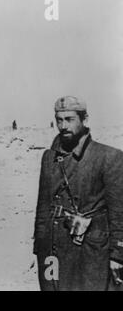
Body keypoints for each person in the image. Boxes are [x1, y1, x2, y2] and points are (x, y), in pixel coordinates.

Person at [33, 96, 123, 291]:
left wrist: (118, 255)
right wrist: (39, 248)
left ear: (85, 119)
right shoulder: (49, 158)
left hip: (90, 249)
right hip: (52, 247)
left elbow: (118, 213)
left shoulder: (109, 157)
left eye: (70, 119)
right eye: (59, 119)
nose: (63, 125)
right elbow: (43, 206)